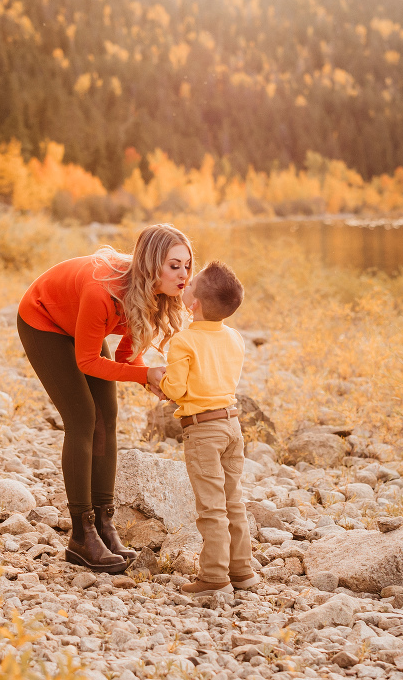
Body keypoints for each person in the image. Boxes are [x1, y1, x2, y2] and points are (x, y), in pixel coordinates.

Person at [17, 224, 192, 573]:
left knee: (106, 416)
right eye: (175, 265)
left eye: (188, 265)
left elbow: (127, 355)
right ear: (152, 263)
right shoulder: (103, 291)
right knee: (82, 418)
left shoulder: (151, 291)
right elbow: (87, 362)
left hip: (79, 321)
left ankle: (104, 526)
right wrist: (143, 374)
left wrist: (149, 378)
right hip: (43, 319)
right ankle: (82, 536)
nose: (184, 274)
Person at [160, 261, 255, 595]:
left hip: (202, 431)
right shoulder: (235, 338)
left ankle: (214, 577)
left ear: (194, 304)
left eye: (190, 286)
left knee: (211, 507)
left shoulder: (184, 341)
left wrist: (161, 377)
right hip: (232, 425)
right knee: (234, 502)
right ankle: (242, 571)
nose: (184, 285)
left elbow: (175, 390)